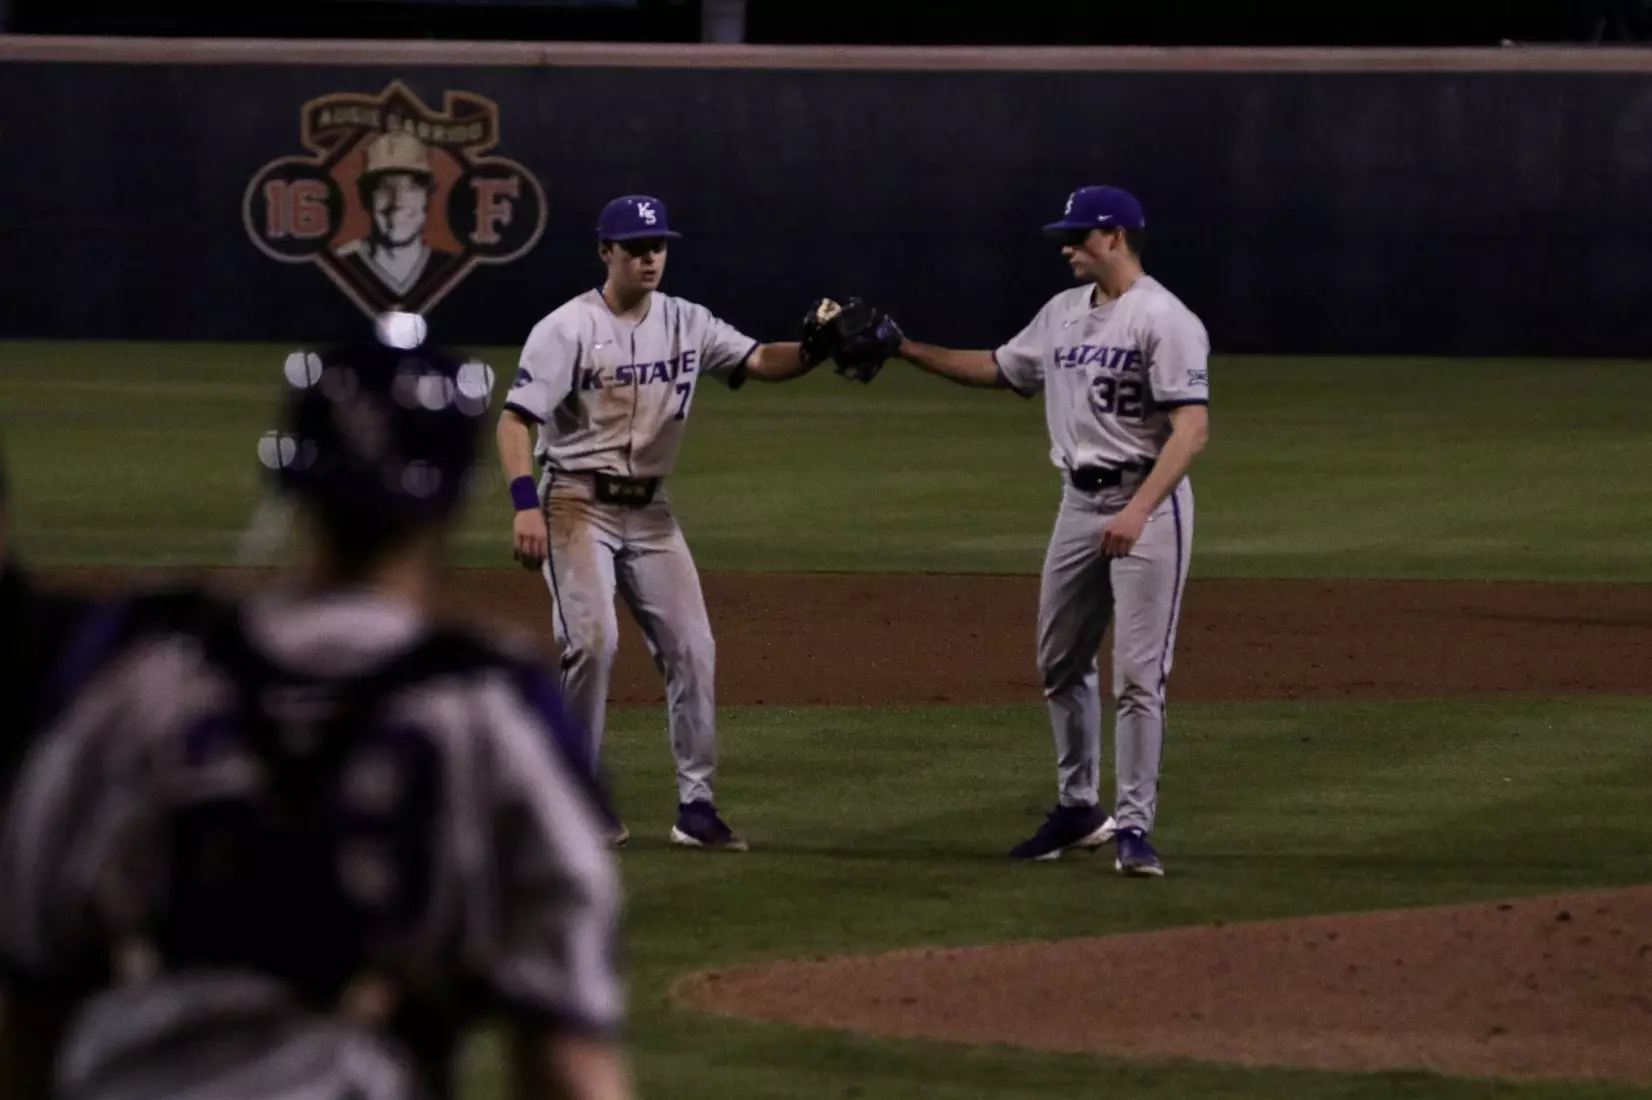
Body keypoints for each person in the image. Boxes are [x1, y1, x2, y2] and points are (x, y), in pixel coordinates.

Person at [0, 315, 635, 1100]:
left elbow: (32, 994)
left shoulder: (133, 674)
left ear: (292, 480)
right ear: (450, 501)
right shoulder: (495, 709)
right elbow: (567, 1056)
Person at [889, 185, 1211, 876]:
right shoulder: (1062, 313)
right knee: (1060, 663)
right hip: (1077, 504)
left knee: (1137, 676)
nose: (1066, 247)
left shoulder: (1164, 318)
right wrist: (904, 347)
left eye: (1079, 236)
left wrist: (1139, 509)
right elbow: (998, 368)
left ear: (1117, 237)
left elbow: (1192, 429)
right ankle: (1078, 808)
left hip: (1145, 503)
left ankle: (1135, 827)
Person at [496, 193, 828, 852]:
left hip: (650, 510)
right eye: (636, 248)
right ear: (606, 252)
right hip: (575, 503)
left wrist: (817, 349)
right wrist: (525, 504)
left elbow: (760, 360)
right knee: (592, 644)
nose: (650, 258)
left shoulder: (686, 320)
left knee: (694, 651)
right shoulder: (566, 328)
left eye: (658, 247)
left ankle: (697, 807)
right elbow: (515, 420)